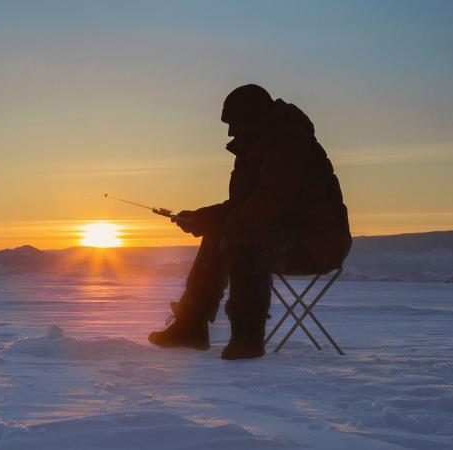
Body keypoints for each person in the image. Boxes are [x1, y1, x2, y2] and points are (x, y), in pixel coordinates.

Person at [148, 84, 351, 360]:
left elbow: (271, 202)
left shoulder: (288, 142)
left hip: (318, 242)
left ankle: (247, 337)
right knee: (225, 232)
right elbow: (244, 206)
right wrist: (202, 217)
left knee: (243, 240)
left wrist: (220, 224)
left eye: (233, 123)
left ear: (253, 118)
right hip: (284, 232)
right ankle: (191, 326)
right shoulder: (253, 148)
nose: (231, 131)